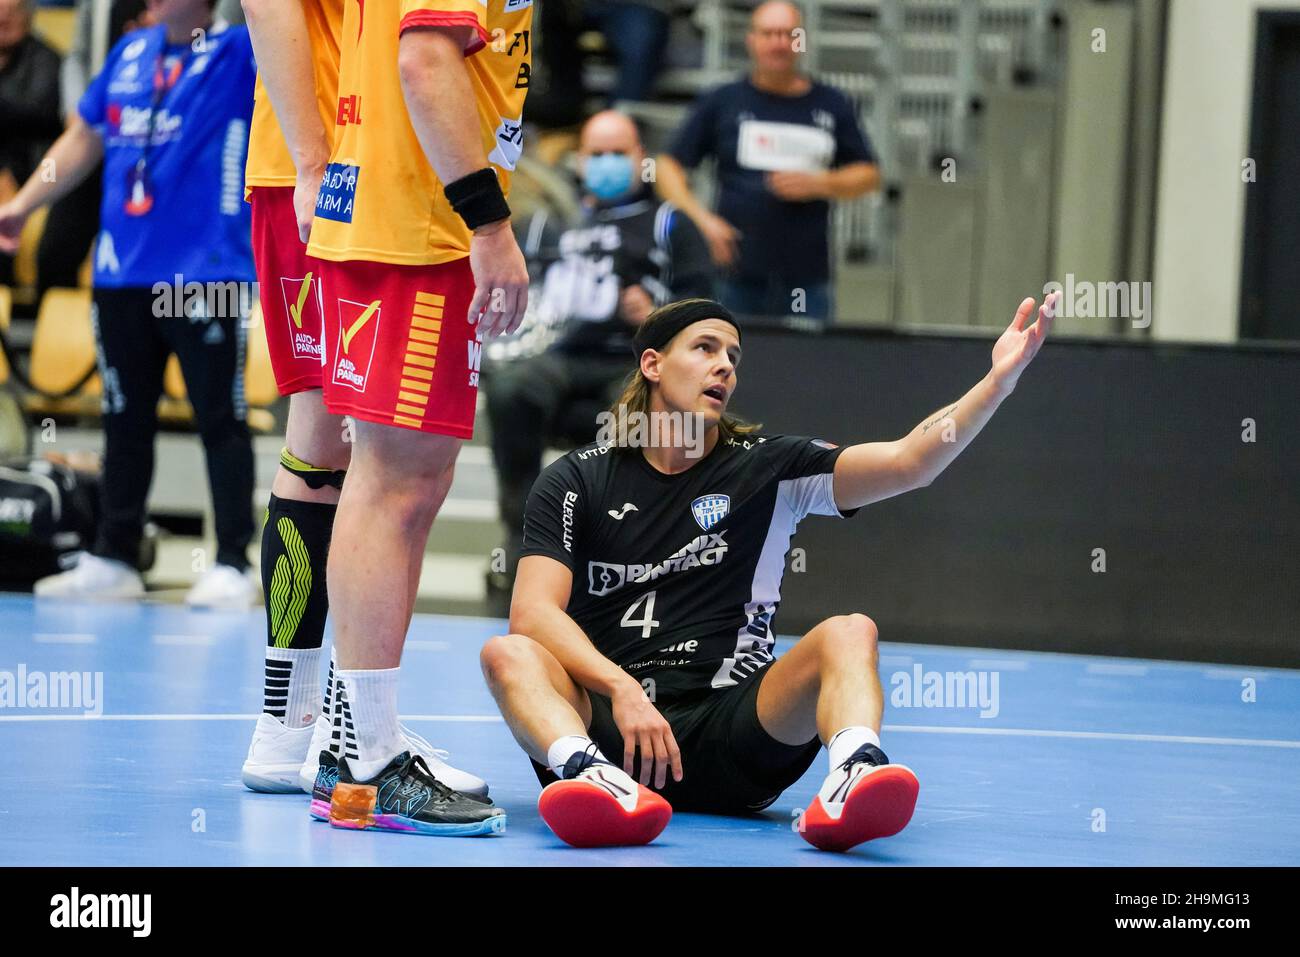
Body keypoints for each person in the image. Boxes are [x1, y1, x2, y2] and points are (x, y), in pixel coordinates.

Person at [480, 291, 1057, 849]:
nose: (724, 366)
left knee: (849, 631)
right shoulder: (576, 480)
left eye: (732, 356)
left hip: (736, 731)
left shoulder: (772, 467)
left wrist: (997, 381)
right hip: (617, 733)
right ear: (652, 364)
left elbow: (911, 462)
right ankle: (590, 778)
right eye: (705, 348)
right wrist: (621, 688)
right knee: (507, 652)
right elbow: (532, 613)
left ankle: (854, 773)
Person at [278, 0, 536, 837]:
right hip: (417, 223)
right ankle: (366, 761)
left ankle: (356, 746)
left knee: (396, 485)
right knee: (399, 487)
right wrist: (490, 223)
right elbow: (425, 61)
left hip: (381, 205)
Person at [236, 0, 488, 804]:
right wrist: (313, 157)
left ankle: (312, 727)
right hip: (326, 159)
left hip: (347, 155)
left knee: (333, 440)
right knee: (342, 442)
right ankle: (322, 731)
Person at [0, 0, 259, 607]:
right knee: (123, 419)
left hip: (204, 274)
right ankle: (114, 554)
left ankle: (232, 561)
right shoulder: (129, 53)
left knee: (219, 417)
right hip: (121, 274)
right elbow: (83, 138)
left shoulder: (241, 51)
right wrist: (23, 206)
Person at [484, 108, 713, 602]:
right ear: (580, 161)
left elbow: (708, 320)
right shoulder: (545, 226)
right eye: (597, 154)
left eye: (618, 154)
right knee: (509, 389)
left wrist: (659, 316)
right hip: (556, 357)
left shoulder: (669, 224)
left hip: (633, 361)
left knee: (644, 408)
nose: (607, 163)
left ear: (640, 159)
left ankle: (634, 553)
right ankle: (524, 544)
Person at [655, 1, 880, 324]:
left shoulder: (832, 104)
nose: (778, 43)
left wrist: (820, 183)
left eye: (788, 34)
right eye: (769, 34)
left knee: (807, 365)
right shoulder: (724, 101)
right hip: (734, 273)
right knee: (732, 363)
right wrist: (702, 222)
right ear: (751, 40)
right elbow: (667, 166)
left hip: (808, 276)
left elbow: (869, 175)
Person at [0, 0, 62, 287]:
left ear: (28, 17)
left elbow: (41, 115)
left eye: (11, 13)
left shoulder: (46, 58)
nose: (3, 20)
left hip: (31, 166)